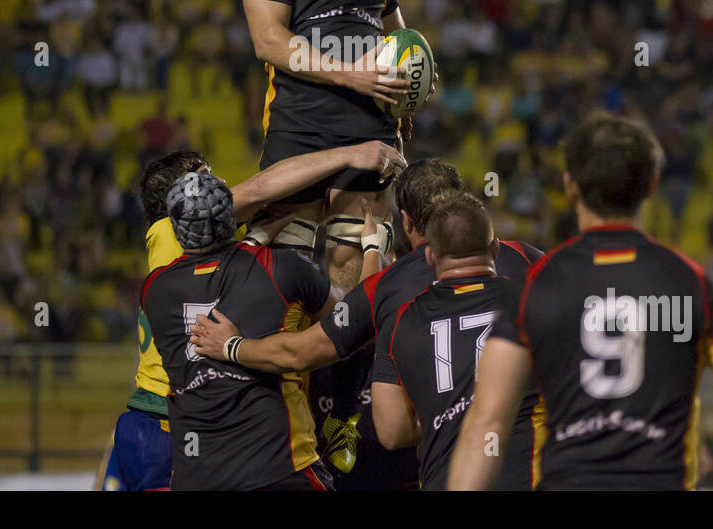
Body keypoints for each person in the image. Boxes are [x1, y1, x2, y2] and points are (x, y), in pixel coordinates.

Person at [448, 112, 713, 491]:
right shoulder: (693, 284)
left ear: (570, 185)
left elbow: (488, 421)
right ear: (652, 184)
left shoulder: (535, 286)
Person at [190, 157, 542, 484]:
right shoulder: (527, 262)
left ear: (404, 220)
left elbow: (300, 352)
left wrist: (232, 346)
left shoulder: (389, 294)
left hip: (425, 462)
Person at [104, 140, 404, 491]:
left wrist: (257, 237)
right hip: (265, 456)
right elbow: (352, 320)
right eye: (211, 182)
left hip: (187, 440)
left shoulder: (156, 287)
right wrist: (372, 247)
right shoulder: (276, 270)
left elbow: (215, 272)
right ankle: (343, 417)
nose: (228, 188)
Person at [242, 0, 421, 294]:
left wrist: (415, 78)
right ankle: (287, 365)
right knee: (283, 265)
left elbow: (400, 40)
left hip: (370, 126)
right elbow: (269, 42)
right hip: (299, 124)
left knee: (358, 256)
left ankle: (358, 365)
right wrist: (352, 74)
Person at [372, 192, 542, 490]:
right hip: (525, 476)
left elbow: (392, 431)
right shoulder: (533, 300)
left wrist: (443, 412)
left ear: (429, 257)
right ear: (495, 248)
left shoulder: (400, 322)